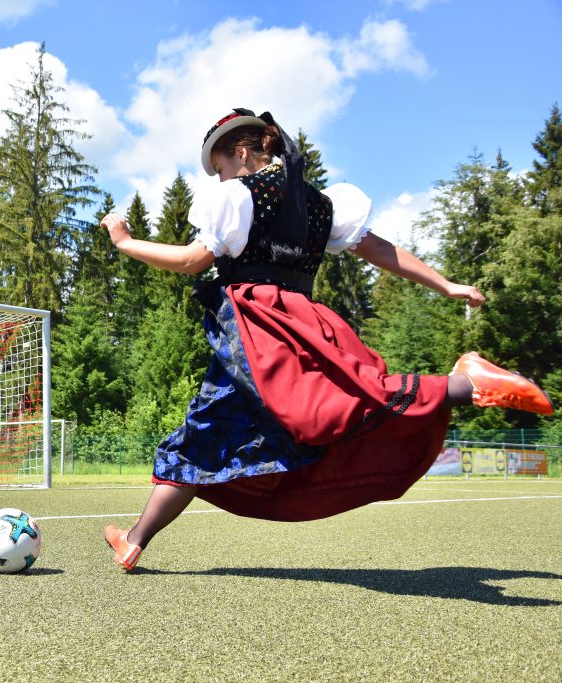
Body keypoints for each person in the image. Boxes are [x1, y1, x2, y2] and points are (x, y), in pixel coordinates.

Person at [100, 108, 555, 571]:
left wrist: (124, 242)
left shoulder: (238, 197)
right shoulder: (320, 204)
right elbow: (378, 249)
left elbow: (191, 260)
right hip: (304, 322)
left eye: (218, 168)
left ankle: (464, 383)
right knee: (224, 428)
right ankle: (135, 541)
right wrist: (446, 284)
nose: (219, 180)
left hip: (258, 328)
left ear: (240, 151)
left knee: (332, 406)